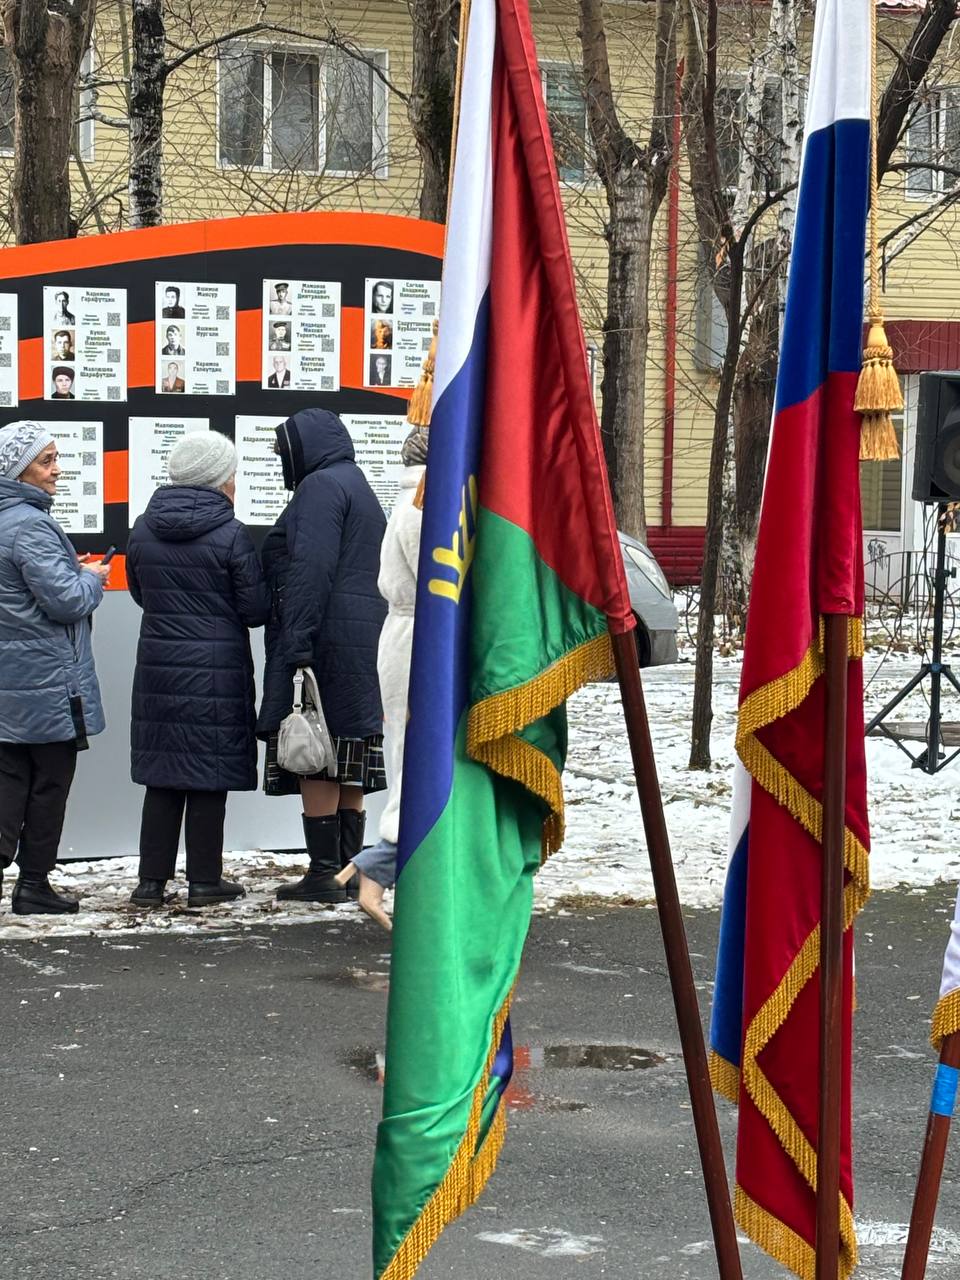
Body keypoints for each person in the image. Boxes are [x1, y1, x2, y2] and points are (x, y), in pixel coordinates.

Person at [126, 431, 270, 908]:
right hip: (216, 670)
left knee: (162, 777)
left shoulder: (142, 528)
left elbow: (141, 594)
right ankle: (204, 881)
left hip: (159, 668)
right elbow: (253, 609)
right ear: (218, 478)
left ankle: (151, 884)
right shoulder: (230, 533)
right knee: (208, 777)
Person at [258, 409, 387, 904]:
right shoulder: (354, 482)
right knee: (348, 750)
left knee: (315, 750)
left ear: (302, 447)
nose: (279, 462)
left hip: (326, 641)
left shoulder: (319, 488)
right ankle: (348, 870)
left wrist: (298, 642)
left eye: (281, 452)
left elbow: (309, 568)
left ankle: (323, 871)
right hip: (359, 641)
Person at [0, 422, 111, 915]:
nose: (57, 470)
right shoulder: (30, 524)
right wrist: (90, 578)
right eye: (46, 461)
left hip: (12, 680)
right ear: (19, 469)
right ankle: (33, 884)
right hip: (45, 682)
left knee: (10, 779)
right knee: (49, 783)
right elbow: (66, 603)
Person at [335, 425, 427, 930]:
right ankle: (382, 865)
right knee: (416, 755)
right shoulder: (424, 502)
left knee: (411, 752)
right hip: (420, 642)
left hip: (413, 637)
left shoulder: (420, 497)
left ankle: (383, 864)